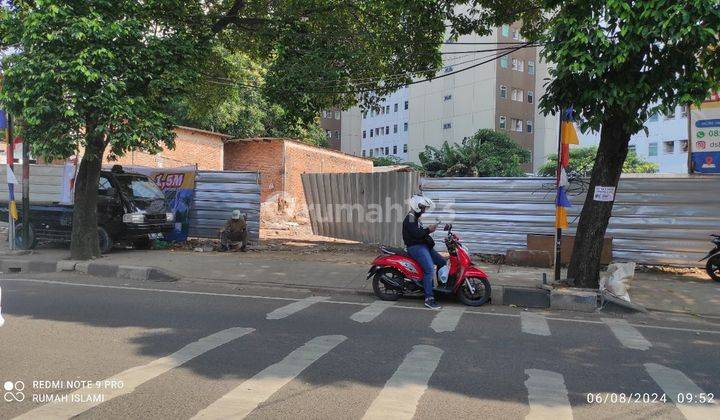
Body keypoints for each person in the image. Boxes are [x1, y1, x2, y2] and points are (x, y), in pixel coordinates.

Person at [403, 194, 445, 310]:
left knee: (442, 262)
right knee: (429, 269)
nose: (424, 210)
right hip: (415, 247)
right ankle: (429, 298)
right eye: (423, 207)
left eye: (425, 207)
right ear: (417, 206)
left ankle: (441, 289)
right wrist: (428, 230)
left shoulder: (415, 217)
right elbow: (417, 234)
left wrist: (428, 230)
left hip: (423, 245)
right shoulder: (411, 218)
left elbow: (419, 232)